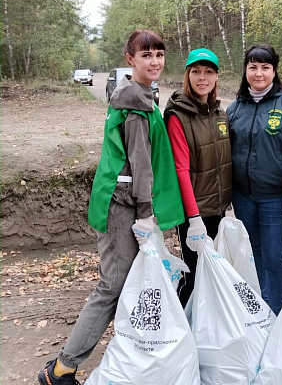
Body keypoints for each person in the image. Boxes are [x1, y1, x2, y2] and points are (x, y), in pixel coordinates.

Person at [38, 29, 184, 385]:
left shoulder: (140, 95)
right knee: (112, 286)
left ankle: (129, 351)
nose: (154, 61)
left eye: (159, 55)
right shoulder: (134, 101)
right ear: (130, 59)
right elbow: (140, 164)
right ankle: (62, 368)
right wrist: (147, 215)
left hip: (121, 202)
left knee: (129, 282)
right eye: (146, 55)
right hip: (122, 206)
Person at [226, 44, 282, 316]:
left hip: (276, 197)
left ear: (274, 71)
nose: (258, 73)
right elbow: (226, 153)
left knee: (274, 256)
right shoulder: (235, 108)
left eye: (265, 67)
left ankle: (279, 313)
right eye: (253, 67)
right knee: (254, 252)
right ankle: (260, 310)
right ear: (245, 70)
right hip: (242, 196)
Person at [164, 48, 232, 308]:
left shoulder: (219, 114)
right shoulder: (178, 116)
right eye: (196, 72)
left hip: (217, 210)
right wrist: (193, 219)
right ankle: (179, 330)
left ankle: (205, 334)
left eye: (208, 72)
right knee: (192, 277)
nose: (202, 77)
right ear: (187, 75)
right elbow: (181, 169)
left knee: (214, 275)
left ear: (216, 77)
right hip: (194, 215)